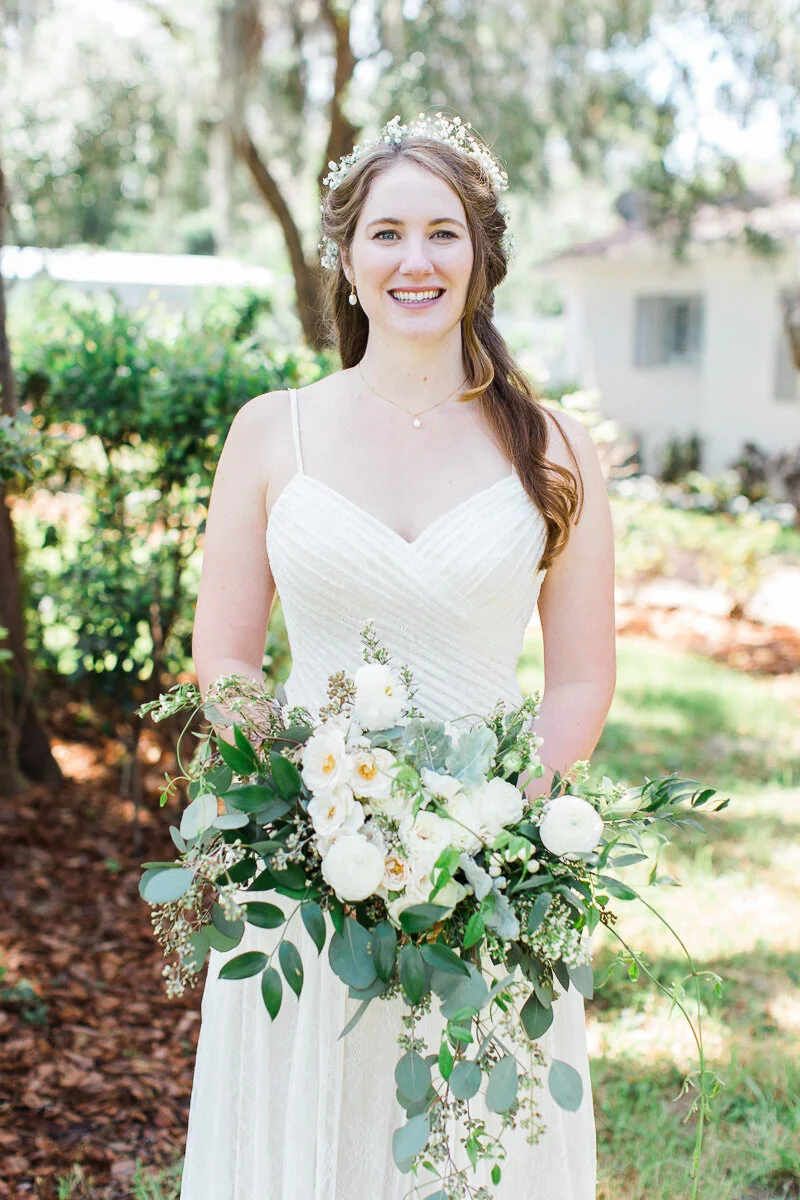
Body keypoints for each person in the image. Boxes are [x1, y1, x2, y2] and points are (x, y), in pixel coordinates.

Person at [183, 112, 615, 1199]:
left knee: (472, 1139)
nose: (414, 260)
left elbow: (578, 674)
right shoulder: (271, 432)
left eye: (442, 233)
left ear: (481, 257)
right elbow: (225, 653)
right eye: (386, 233)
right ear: (345, 255)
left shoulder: (555, 449)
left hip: (488, 865)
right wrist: (301, 803)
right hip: (306, 863)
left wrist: (504, 827)